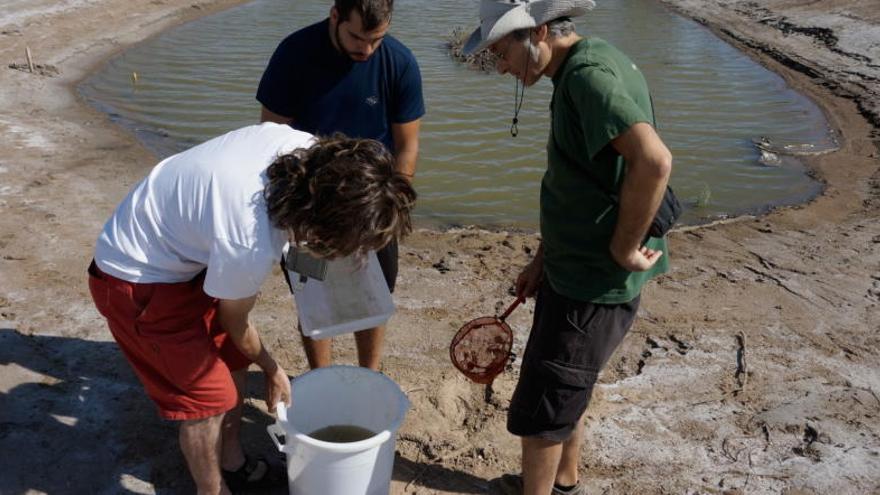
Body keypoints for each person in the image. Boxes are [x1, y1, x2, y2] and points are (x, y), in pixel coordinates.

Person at [87, 123, 416, 494]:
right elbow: (235, 320)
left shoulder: (306, 152)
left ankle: (233, 462)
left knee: (233, 361)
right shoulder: (247, 238)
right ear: (321, 222)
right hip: (135, 280)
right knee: (208, 400)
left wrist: (334, 270)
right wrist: (272, 368)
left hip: (189, 255)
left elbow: (283, 252)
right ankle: (211, 491)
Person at [462, 1, 673, 494]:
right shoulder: (585, 64)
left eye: (502, 51)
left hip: (591, 281)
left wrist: (623, 248)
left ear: (538, 32)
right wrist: (542, 260)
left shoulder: (586, 78)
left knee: (543, 409)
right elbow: (582, 182)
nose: (501, 66)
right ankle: (563, 484)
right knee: (568, 392)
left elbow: (654, 161)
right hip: (571, 268)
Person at [256, 0, 425, 371]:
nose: (365, 49)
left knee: (375, 295)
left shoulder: (399, 62)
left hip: (372, 205)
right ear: (335, 15)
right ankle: (321, 375)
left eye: (376, 39)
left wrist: (392, 205)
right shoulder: (294, 55)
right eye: (357, 37)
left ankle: (371, 372)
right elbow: (268, 140)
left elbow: (408, 146)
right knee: (312, 294)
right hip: (308, 209)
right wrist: (292, 214)